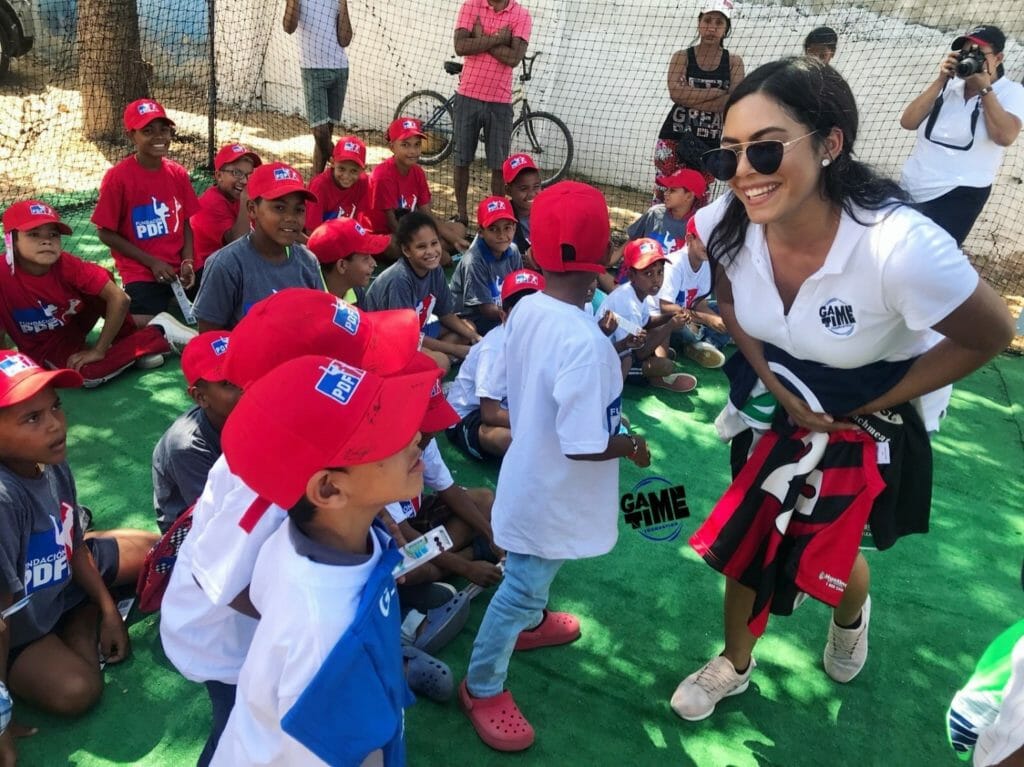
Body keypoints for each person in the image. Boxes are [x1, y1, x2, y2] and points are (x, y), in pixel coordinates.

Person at [669, 57, 1014, 722]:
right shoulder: (723, 225)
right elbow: (730, 299)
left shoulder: (899, 245)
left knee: (826, 549)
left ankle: (852, 610)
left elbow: (990, 332)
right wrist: (772, 383)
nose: (743, 173)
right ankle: (734, 664)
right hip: (775, 408)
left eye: (765, 149)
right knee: (750, 533)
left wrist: (868, 404)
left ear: (831, 143)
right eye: (728, 156)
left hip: (861, 423)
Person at [159, 289, 423, 766]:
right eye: (360, 365)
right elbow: (221, 579)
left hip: (268, 632)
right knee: (244, 730)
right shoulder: (260, 490)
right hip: (224, 644)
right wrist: (310, 625)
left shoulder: (300, 467)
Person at [459, 182, 651, 753]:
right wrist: (630, 447)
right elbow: (585, 444)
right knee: (519, 584)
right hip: (555, 488)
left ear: (534, 248)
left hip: (533, 475)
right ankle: (482, 684)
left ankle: (533, 620)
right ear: (606, 255)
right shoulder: (583, 341)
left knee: (537, 569)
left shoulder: (532, 309)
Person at [208, 353, 440, 766]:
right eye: (388, 431)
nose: (415, 437)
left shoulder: (303, 539)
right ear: (330, 490)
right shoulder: (324, 635)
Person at [0, 351, 158, 766]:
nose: (54, 424)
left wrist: (108, 609)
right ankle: (78, 619)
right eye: (31, 418)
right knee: (77, 692)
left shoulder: (49, 460)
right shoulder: (3, 498)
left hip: (57, 569)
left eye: (55, 407)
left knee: (157, 553)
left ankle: (86, 609)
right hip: (17, 627)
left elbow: (73, 545)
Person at [0, 200, 191, 388]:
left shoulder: (66, 265)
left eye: (54, 234)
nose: (46, 241)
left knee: (102, 285)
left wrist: (99, 350)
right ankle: (137, 348)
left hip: (71, 325)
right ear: (11, 241)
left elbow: (120, 298)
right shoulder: (3, 274)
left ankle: (157, 331)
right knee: (88, 373)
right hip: (46, 346)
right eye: (33, 234)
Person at [899, 25, 1024, 246]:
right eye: (966, 52)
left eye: (978, 53)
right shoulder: (950, 87)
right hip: (913, 186)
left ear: (998, 58)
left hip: (959, 194)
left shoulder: (1012, 92)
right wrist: (940, 80)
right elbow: (907, 122)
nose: (970, 58)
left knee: (930, 261)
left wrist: (985, 90)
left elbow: (1005, 136)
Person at [92, 98, 201, 326]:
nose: (159, 137)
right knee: (140, 325)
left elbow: (186, 223)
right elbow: (105, 233)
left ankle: (171, 306)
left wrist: (188, 261)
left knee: (221, 296)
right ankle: (166, 324)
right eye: (148, 131)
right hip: (141, 271)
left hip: (178, 269)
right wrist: (151, 263)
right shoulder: (118, 178)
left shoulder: (178, 173)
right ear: (132, 136)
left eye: (164, 129)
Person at [193, 162, 322, 331]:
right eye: (279, 207)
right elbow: (209, 338)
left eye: (299, 210)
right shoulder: (226, 265)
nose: (291, 218)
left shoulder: (308, 262)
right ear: (252, 209)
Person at [446, 268, 542, 462]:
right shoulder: (495, 349)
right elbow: (490, 414)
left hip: (511, 407)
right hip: (470, 415)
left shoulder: (543, 337)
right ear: (504, 315)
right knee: (509, 439)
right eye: (521, 312)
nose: (531, 318)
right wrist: (541, 423)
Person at [451, 0, 533, 225]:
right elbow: (460, 47)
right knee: (461, 160)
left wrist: (480, 38)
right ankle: (462, 216)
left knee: (499, 166)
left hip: (500, 102)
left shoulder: (521, 14)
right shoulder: (471, 6)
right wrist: (499, 38)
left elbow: (513, 58)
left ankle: (497, 219)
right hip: (468, 95)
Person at [363, 211, 481, 366]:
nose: (431, 252)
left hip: (418, 332)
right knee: (441, 362)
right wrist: (456, 349)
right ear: (406, 250)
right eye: (421, 246)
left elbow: (445, 314)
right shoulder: (400, 279)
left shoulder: (435, 270)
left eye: (434, 243)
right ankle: (438, 361)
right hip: (387, 342)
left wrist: (475, 337)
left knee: (468, 327)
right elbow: (405, 338)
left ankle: (434, 361)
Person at [655, 0, 744, 201]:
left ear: (726, 28)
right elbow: (675, 94)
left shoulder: (734, 62)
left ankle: (689, 234)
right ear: (699, 23)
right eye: (707, 20)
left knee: (697, 197)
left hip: (708, 141)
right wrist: (717, 91)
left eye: (719, 23)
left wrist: (689, 95)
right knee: (665, 194)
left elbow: (732, 102)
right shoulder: (682, 57)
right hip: (674, 136)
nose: (712, 27)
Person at [151, 331, 239, 533]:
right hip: (193, 527)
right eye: (228, 383)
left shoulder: (252, 411)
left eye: (246, 370)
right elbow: (215, 519)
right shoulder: (187, 446)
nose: (244, 385)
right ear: (200, 397)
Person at [597, 238, 695, 391]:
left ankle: (651, 366)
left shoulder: (636, 291)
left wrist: (671, 316)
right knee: (664, 365)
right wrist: (669, 326)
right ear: (631, 276)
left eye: (660, 272)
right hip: (607, 359)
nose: (656, 279)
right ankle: (640, 381)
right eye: (648, 273)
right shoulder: (627, 305)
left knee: (657, 334)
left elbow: (646, 322)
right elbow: (639, 353)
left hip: (621, 347)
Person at [370, 117, 468, 255]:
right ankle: (427, 253)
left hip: (411, 229)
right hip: (387, 233)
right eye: (405, 145)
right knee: (392, 246)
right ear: (392, 147)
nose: (412, 151)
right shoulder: (383, 175)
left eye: (417, 144)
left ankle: (426, 252)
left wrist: (457, 240)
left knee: (459, 229)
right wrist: (427, 246)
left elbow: (428, 215)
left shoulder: (418, 172)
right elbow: (392, 224)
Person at [282, 0, 352, 175]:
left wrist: (343, 3)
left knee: (326, 131)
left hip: (339, 68)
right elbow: (288, 27)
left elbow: (345, 39)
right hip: (312, 70)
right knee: (320, 133)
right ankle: (341, 160)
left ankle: (315, 185)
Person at [652, 217, 730, 369]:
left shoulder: (706, 263)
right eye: (705, 241)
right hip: (665, 318)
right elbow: (665, 307)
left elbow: (700, 303)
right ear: (689, 238)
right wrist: (707, 319)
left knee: (728, 312)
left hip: (689, 313)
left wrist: (714, 318)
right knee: (681, 324)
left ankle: (703, 345)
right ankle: (703, 343)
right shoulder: (675, 265)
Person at [190, 144, 262, 290]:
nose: (244, 181)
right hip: (204, 273)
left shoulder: (235, 198)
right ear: (219, 176)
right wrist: (245, 198)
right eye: (237, 173)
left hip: (229, 265)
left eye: (249, 175)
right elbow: (238, 243)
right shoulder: (211, 202)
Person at [450, 196, 524, 335]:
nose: (501, 235)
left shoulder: (513, 251)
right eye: (493, 229)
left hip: (500, 313)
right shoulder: (474, 260)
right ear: (480, 231)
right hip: (472, 318)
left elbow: (519, 291)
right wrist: (518, 316)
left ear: (515, 227)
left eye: (507, 227)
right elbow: (486, 310)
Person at [307, 216, 390, 303]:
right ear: (342, 265)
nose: (374, 263)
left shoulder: (357, 293)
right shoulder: (308, 299)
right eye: (366, 258)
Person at [304, 135, 376, 232]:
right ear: (332, 162)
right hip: (319, 238)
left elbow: (362, 223)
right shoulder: (320, 185)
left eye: (354, 171)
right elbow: (311, 231)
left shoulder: (364, 182)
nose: (346, 176)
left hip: (346, 235)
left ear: (363, 169)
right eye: (341, 168)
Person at [503, 153, 541, 256]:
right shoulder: (503, 216)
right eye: (523, 189)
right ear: (508, 190)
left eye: (536, 186)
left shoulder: (547, 211)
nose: (532, 194)